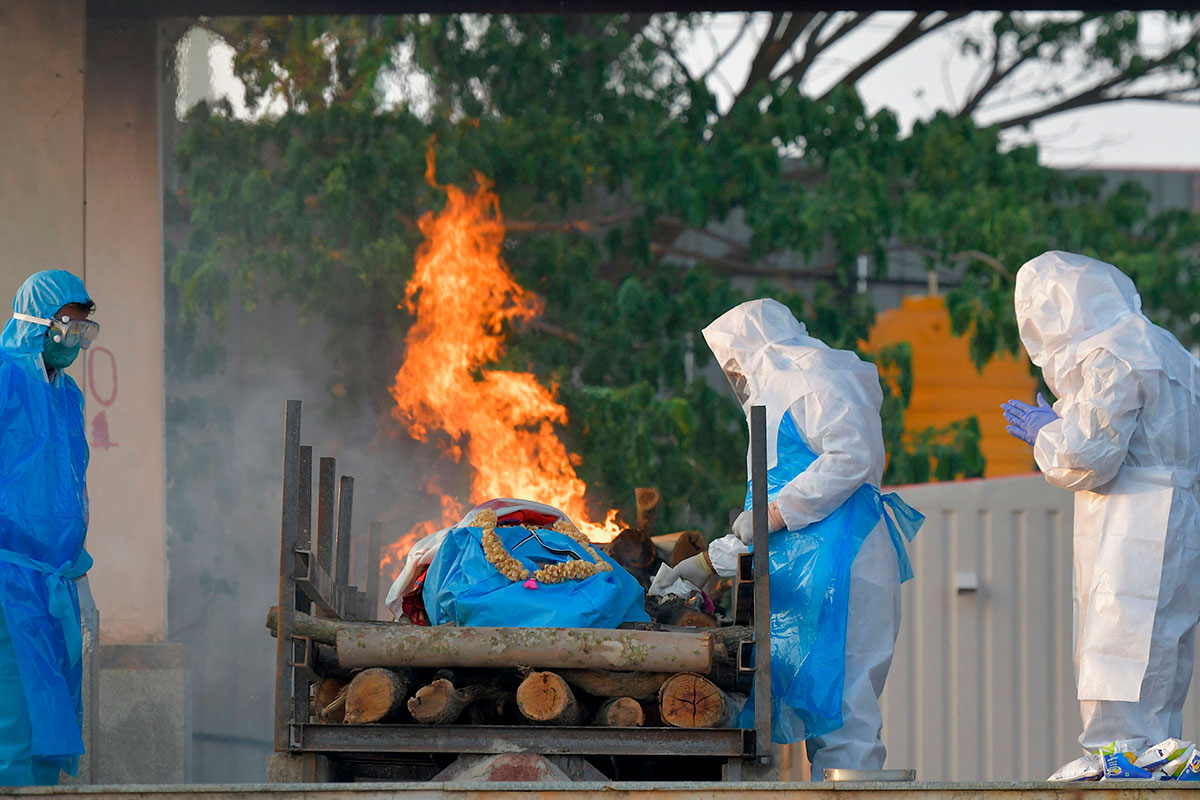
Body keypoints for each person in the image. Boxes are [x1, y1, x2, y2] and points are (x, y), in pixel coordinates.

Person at [651, 298, 923, 775]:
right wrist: (713, 560)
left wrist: (774, 513)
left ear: (757, 347)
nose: (736, 373)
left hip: (843, 559)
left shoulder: (815, 376)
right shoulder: (783, 391)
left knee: (845, 711)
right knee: (826, 712)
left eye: (736, 360)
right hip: (815, 564)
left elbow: (850, 458)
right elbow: (772, 512)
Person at [1002, 250, 1200, 758]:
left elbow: (1090, 456)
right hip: (1179, 512)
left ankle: (1119, 754)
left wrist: (1049, 434)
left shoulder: (1112, 351)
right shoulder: (1168, 346)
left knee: (1118, 640)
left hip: (1134, 516)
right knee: (1162, 647)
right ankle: (1157, 753)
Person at [0, 270, 98, 784]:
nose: (76, 340)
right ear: (38, 322)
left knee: (50, 716)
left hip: (54, 580)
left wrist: (78, 571)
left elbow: (70, 486)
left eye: (85, 330)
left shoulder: (67, 395)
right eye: (69, 327)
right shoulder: (4, 377)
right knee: (13, 715)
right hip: (7, 577)